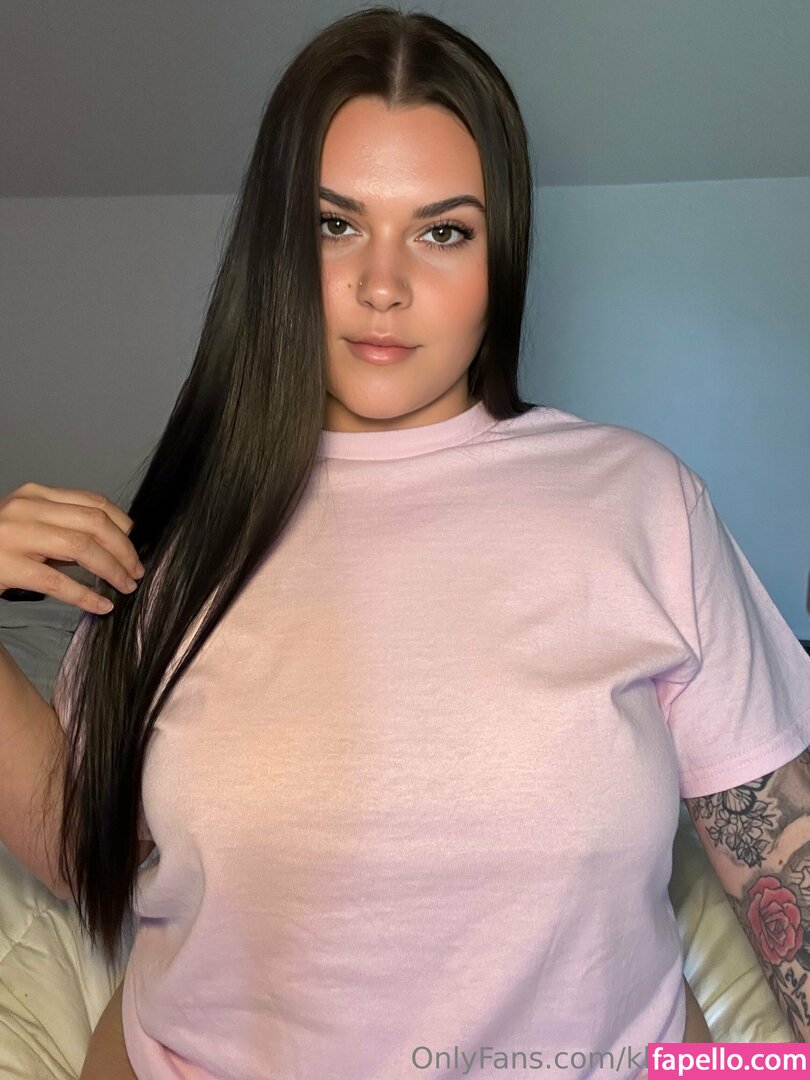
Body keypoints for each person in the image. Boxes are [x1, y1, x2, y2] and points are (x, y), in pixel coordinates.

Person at [1, 6, 809, 1078]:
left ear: (500, 256)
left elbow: (785, 859)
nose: (382, 284)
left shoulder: (643, 502)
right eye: (335, 224)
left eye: (443, 232)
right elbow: (86, 851)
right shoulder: (183, 536)